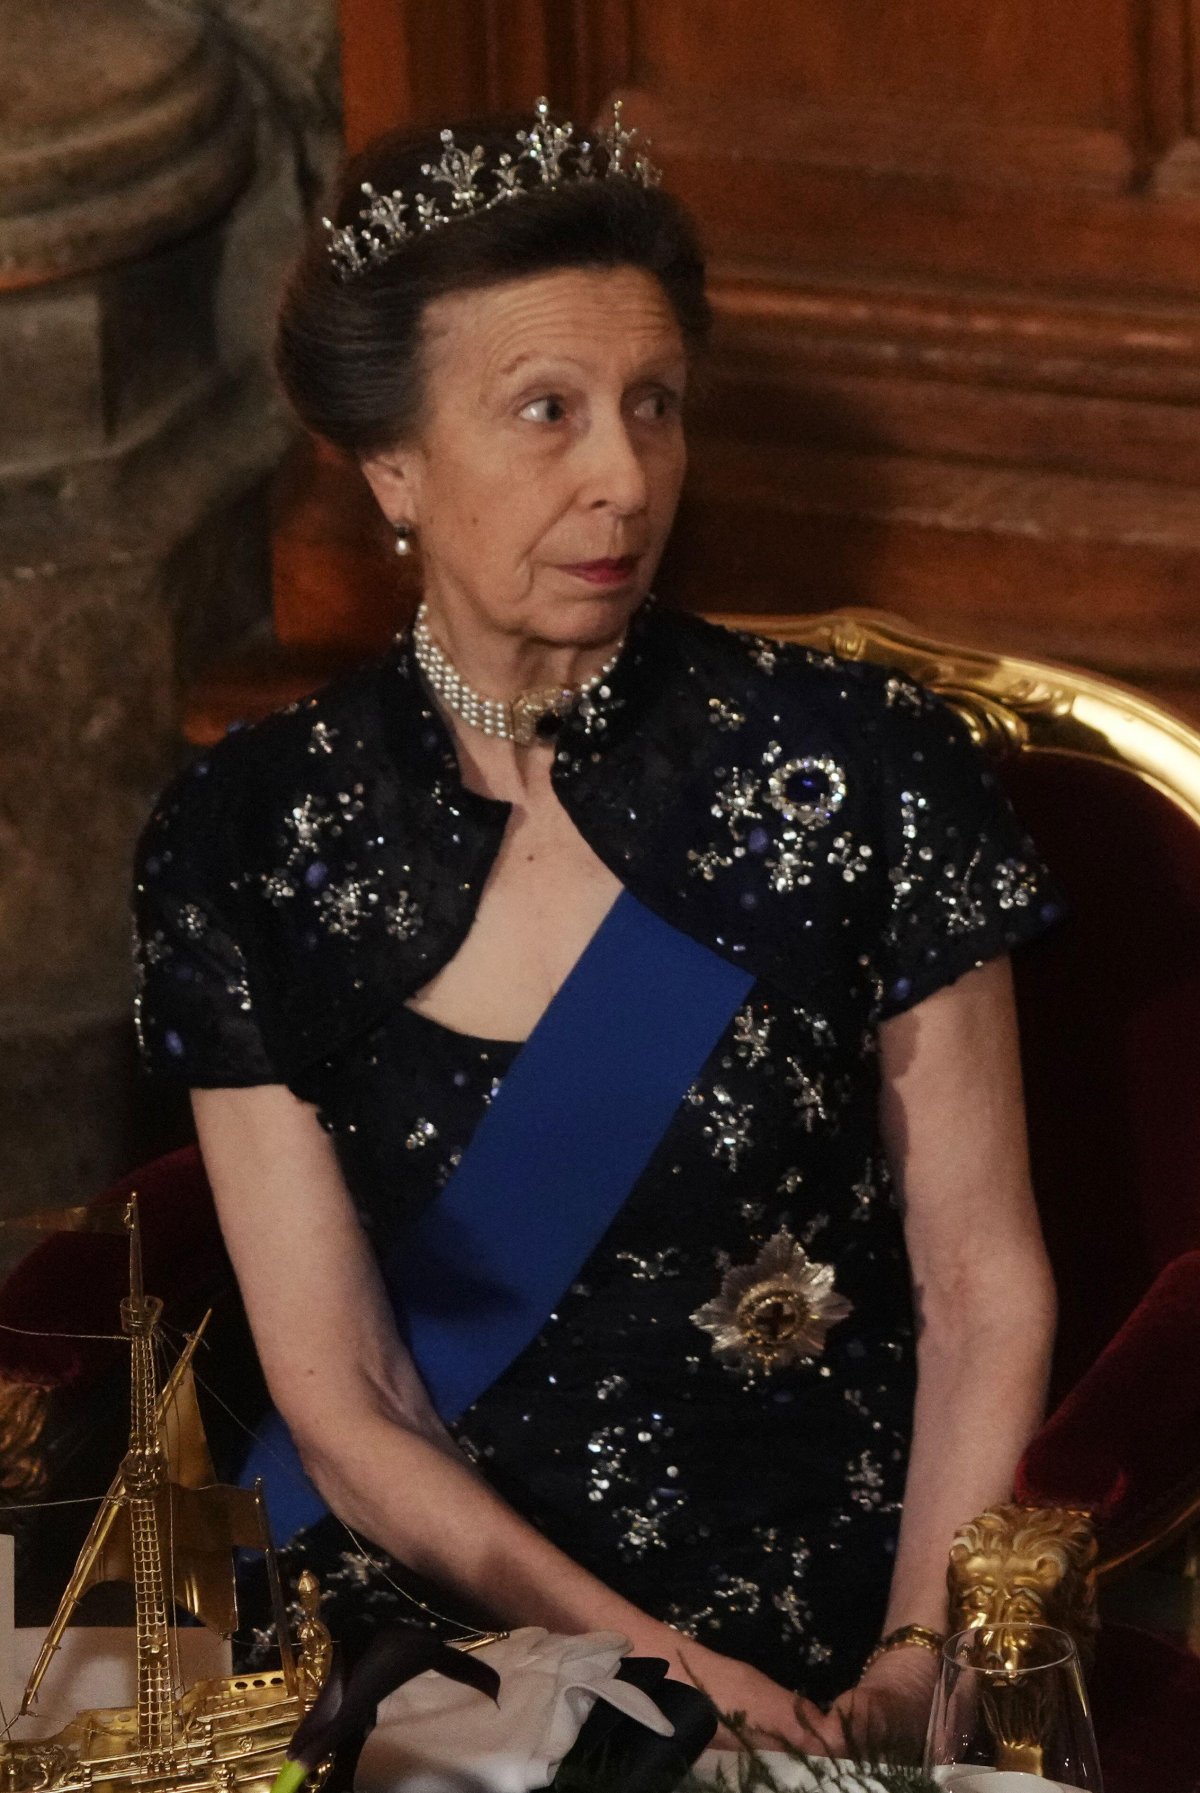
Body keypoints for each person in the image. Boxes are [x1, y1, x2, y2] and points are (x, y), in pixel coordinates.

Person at [132, 98, 1061, 1754]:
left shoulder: (859, 766)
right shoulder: (246, 837)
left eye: (654, 404)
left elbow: (980, 1280)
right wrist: (662, 1679)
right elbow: (347, 1395)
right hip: (437, 1626)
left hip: (834, 1623)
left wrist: (924, 1656)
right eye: (546, 410)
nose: (625, 477)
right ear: (392, 463)